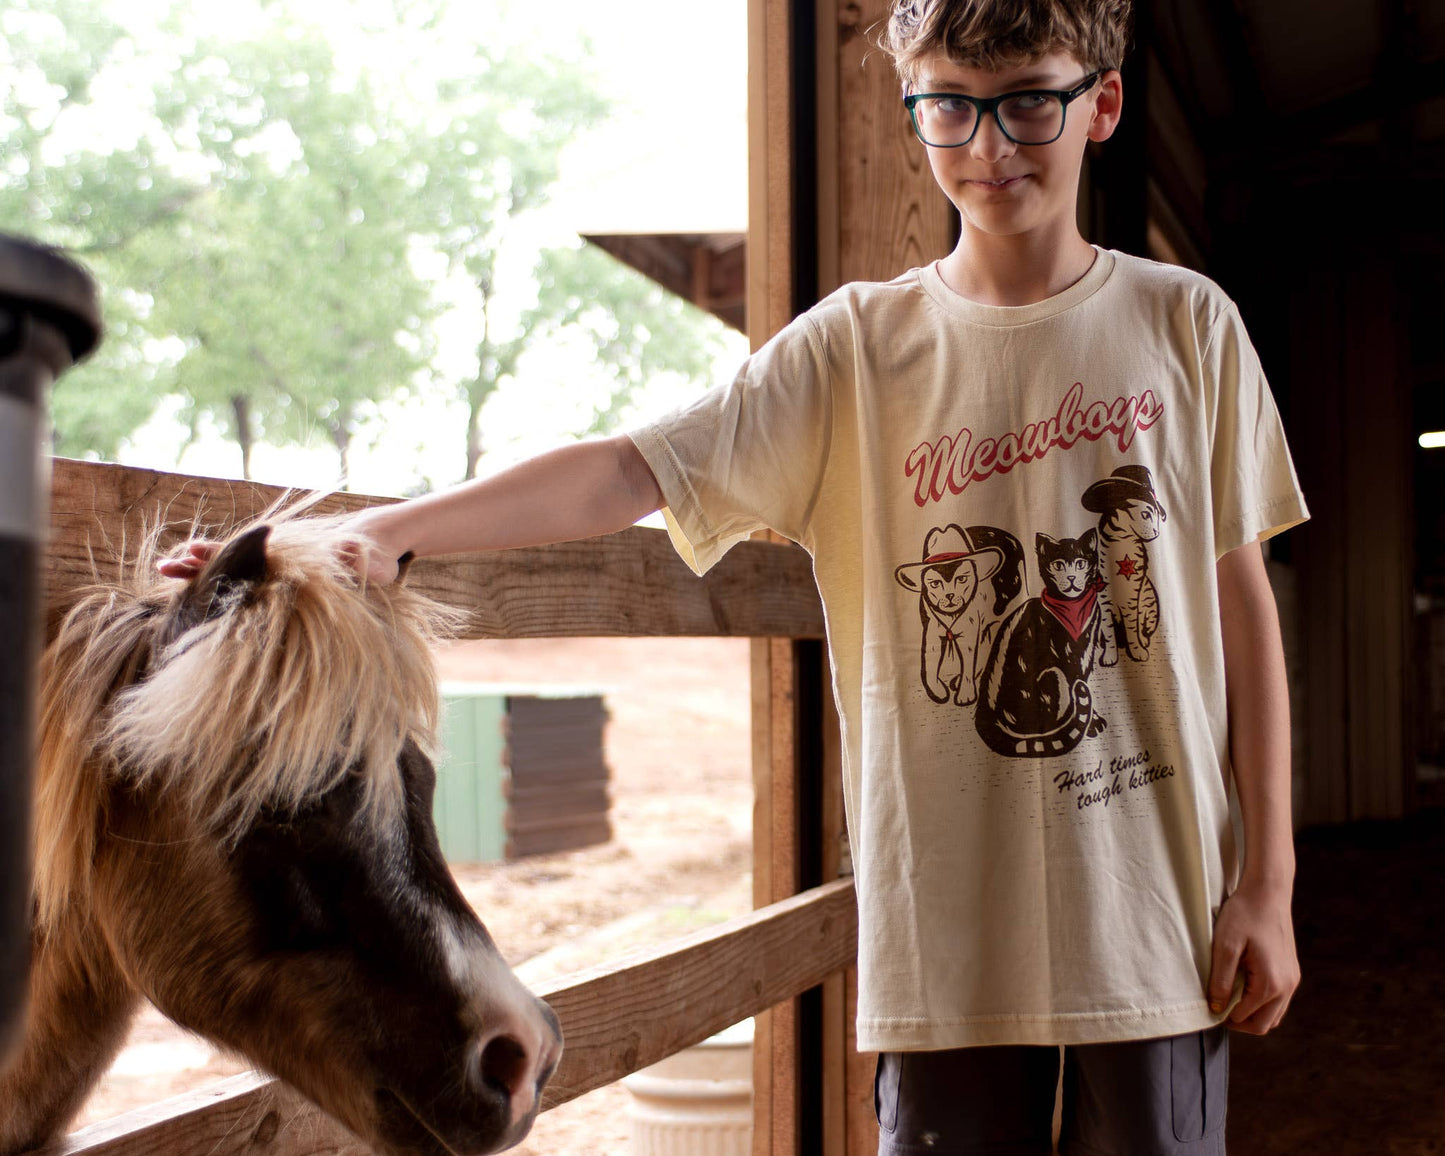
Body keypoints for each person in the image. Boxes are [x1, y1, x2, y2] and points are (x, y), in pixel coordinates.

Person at [163, 2, 1306, 1151]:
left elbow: (1237, 600)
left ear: (1097, 104)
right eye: (949, 107)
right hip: (945, 943)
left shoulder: (1184, 324)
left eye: (1025, 104)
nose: (988, 146)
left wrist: (1268, 881)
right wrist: (383, 531)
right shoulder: (855, 349)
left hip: (1154, 921)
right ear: (912, 107)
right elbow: (627, 467)